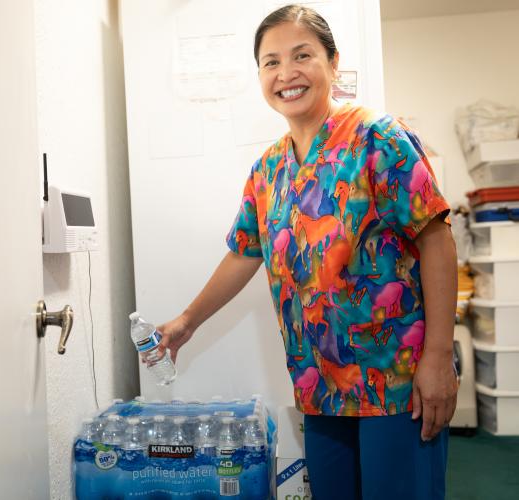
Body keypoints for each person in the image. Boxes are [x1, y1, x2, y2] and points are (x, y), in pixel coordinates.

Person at [157, 5, 458, 499]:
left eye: (302, 55)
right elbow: (243, 253)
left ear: (333, 63)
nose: (286, 73)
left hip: (398, 384)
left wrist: (439, 357)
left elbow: (436, 238)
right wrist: (187, 322)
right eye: (271, 62)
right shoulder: (267, 169)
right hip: (319, 386)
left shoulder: (378, 139)